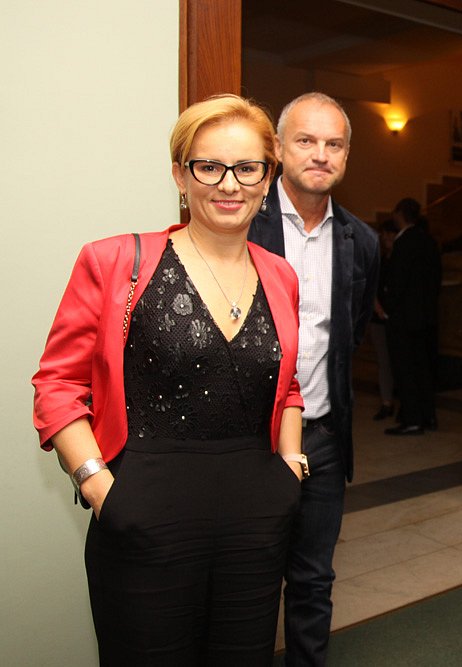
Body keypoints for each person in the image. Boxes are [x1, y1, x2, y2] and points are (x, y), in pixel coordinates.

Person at [32, 94, 306, 665]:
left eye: (247, 168)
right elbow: (58, 385)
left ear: (267, 179)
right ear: (180, 175)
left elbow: (287, 386)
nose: (229, 184)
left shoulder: (281, 275)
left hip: (256, 520)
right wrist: (98, 487)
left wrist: (290, 467)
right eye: (209, 166)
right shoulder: (115, 261)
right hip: (143, 512)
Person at [248, 92, 379, 666]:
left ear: (347, 156)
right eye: (306, 140)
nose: (320, 154)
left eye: (334, 144)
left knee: (312, 580)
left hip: (322, 440)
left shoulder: (362, 241)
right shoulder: (242, 222)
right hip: (248, 440)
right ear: (278, 148)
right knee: (246, 584)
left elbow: (350, 334)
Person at [381, 197, 442, 436]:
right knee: (423, 369)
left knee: (405, 370)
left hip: (404, 319)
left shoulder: (403, 243)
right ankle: (428, 416)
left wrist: (387, 308)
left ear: (399, 215)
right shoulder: (429, 241)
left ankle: (412, 419)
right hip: (426, 318)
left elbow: (397, 282)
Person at [371, 218, 400, 421]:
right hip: (379, 317)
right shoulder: (379, 260)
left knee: (397, 360)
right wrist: (377, 307)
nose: (387, 238)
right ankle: (386, 402)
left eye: (391, 234)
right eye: (385, 234)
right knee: (384, 361)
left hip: (397, 317)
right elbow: (372, 285)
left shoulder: (400, 259)